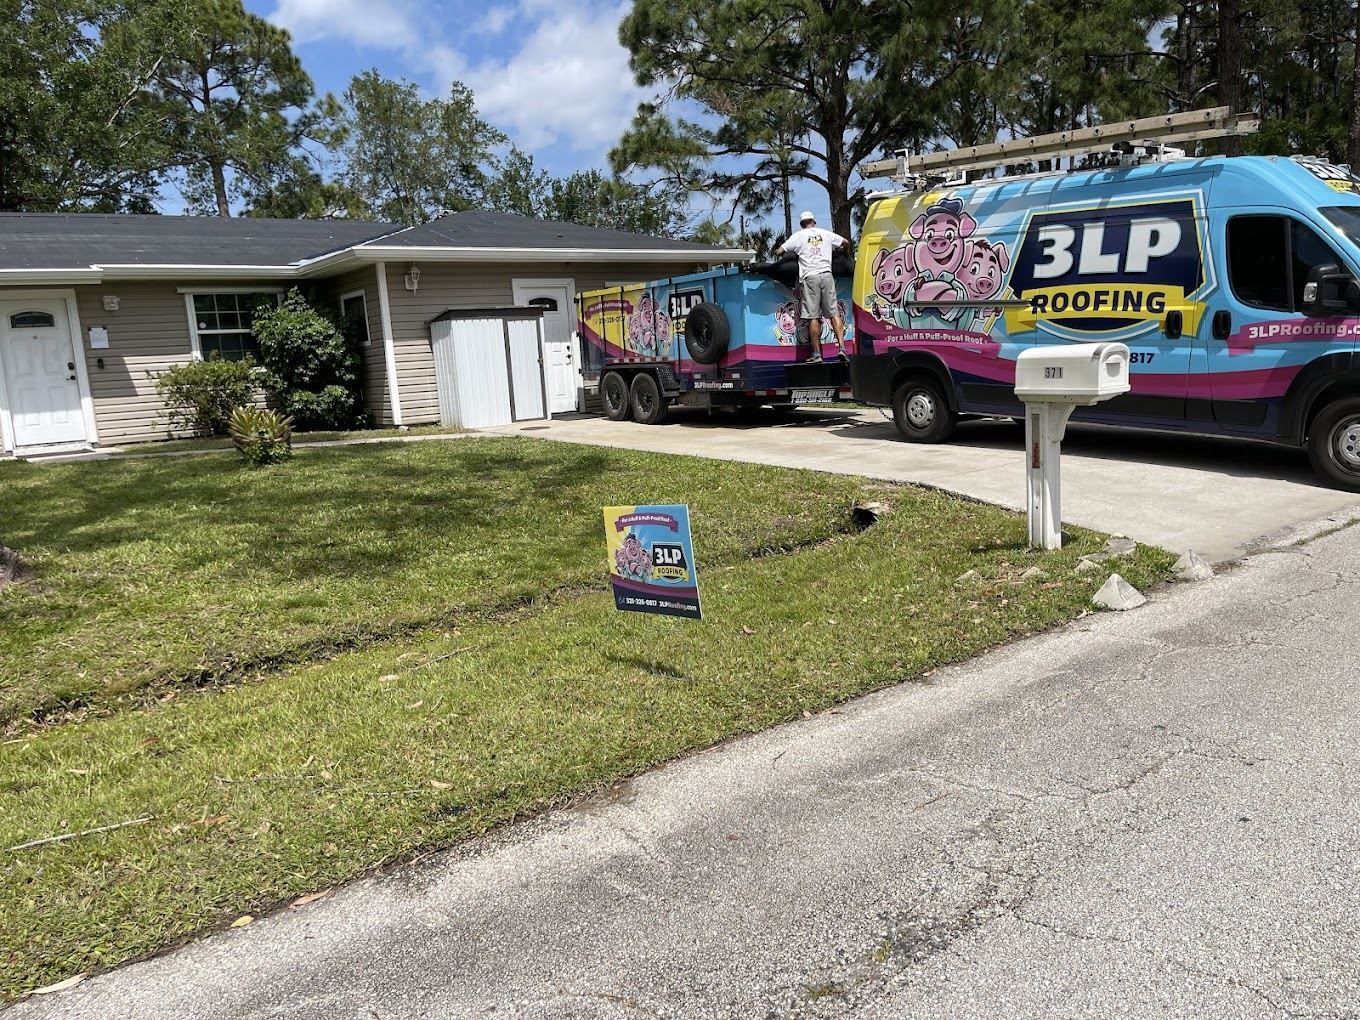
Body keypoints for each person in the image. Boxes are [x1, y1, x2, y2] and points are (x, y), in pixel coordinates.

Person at [778, 211, 848, 363]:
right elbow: (846, 242)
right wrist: (839, 252)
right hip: (827, 275)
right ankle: (842, 348)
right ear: (814, 222)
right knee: (834, 313)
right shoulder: (826, 234)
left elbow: (780, 251)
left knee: (813, 316)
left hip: (810, 277)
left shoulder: (798, 236)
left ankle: (817, 355)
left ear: (802, 224)